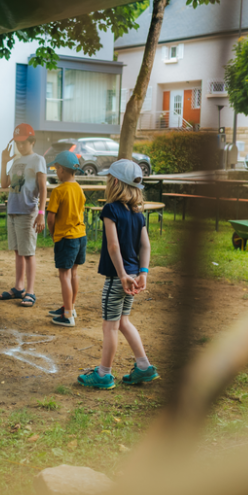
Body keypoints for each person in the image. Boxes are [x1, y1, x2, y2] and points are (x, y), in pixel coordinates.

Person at [78, 159, 158, 389]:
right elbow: (146, 246)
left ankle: (103, 374)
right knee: (123, 321)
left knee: (110, 326)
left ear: (113, 182)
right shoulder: (138, 214)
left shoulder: (110, 209)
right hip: (133, 276)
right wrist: (143, 272)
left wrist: (122, 275)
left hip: (118, 279)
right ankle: (144, 367)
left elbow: (113, 247)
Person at [0, 123, 47, 308]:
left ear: (32, 141)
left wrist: (41, 214)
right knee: (18, 251)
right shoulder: (16, 161)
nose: (20, 146)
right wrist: (4, 162)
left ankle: (30, 291)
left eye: (24, 142)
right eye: (18, 143)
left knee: (28, 253)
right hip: (13, 211)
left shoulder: (38, 160)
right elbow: (4, 184)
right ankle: (19, 287)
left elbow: (43, 189)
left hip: (28, 212)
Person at [43, 151, 86, 326]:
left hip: (66, 238)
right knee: (73, 273)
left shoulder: (59, 191)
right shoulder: (79, 189)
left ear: (61, 169)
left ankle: (67, 316)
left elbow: (51, 218)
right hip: (80, 236)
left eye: (56, 168)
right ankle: (70, 307)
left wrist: (53, 234)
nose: (55, 172)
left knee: (64, 276)